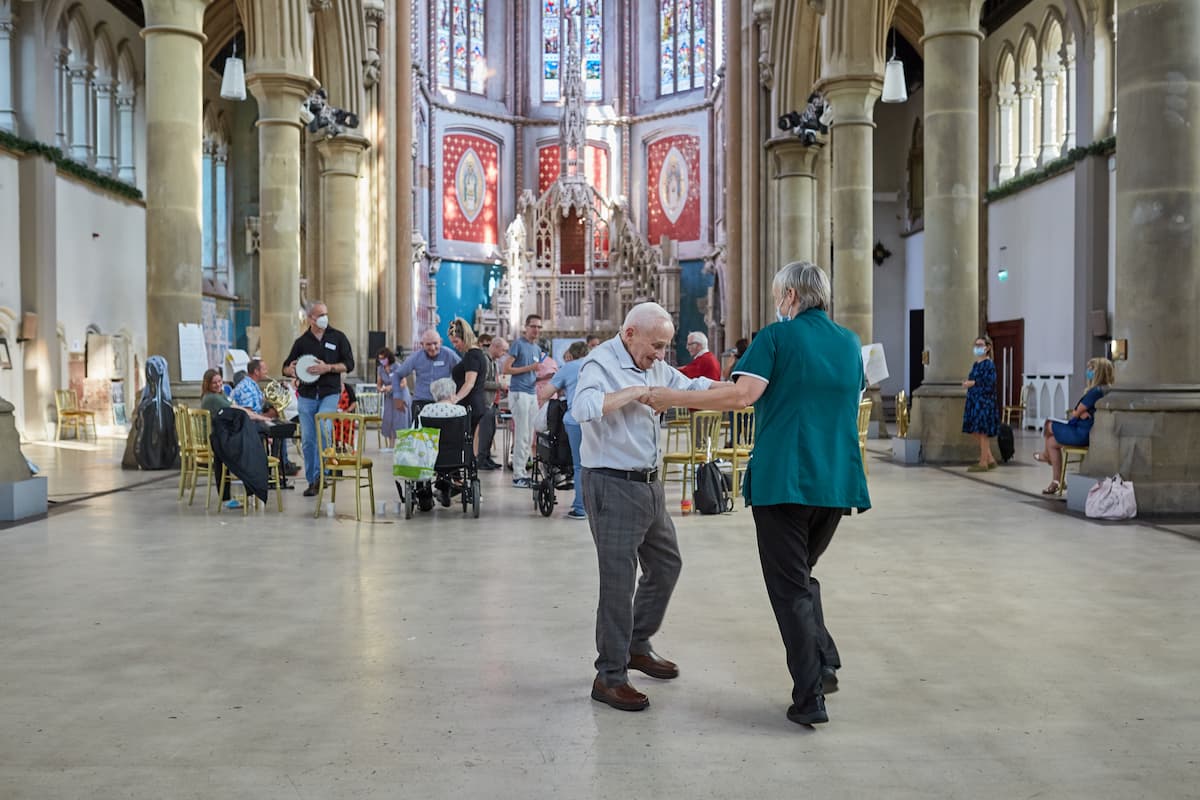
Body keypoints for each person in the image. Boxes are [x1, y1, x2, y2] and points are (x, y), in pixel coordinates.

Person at [642, 261, 871, 727]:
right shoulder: (849, 343)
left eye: (776, 295)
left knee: (789, 587)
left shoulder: (776, 338)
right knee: (800, 575)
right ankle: (824, 658)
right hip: (835, 482)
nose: (775, 304)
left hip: (784, 480)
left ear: (789, 297)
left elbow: (742, 395)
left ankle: (809, 697)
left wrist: (672, 397)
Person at [571, 302, 722, 713]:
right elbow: (580, 409)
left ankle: (636, 644)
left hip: (648, 486)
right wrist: (635, 393)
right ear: (630, 333)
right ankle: (610, 676)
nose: (660, 354)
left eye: (665, 347)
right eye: (655, 345)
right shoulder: (599, 364)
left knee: (666, 564)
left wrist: (738, 392)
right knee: (618, 582)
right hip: (611, 484)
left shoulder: (655, 362)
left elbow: (689, 388)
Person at [281, 300, 355, 497]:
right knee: (308, 440)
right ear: (310, 319)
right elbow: (286, 367)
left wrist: (328, 368)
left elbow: (349, 364)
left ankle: (325, 471)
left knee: (323, 427)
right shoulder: (301, 342)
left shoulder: (338, 337)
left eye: (325, 314)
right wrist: (291, 370)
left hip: (330, 392)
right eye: (320, 315)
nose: (324, 318)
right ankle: (314, 479)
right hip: (306, 394)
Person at [1034, 357, 1115, 495]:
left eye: (1092, 369)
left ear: (1099, 372)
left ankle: (1046, 456)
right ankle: (1057, 482)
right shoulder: (1107, 390)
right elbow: (1081, 411)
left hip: (1082, 433)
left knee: (1048, 424)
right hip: (1087, 430)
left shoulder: (1095, 391)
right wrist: (1080, 413)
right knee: (1052, 442)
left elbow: (1075, 413)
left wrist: (1078, 413)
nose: (1088, 372)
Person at [538, 340, 589, 520]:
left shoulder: (569, 367)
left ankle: (581, 508)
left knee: (580, 465)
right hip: (599, 418)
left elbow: (545, 394)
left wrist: (563, 391)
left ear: (571, 354)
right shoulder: (596, 366)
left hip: (575, 419)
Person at [231, 358, 296, 480]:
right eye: (264, 369)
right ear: (256, 371)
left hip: (256, 421)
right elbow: (248, 414)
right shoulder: (247, 388)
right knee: (279, 430)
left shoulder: (252, 385)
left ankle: (277, 468)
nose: (267, 371)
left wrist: (280, 391)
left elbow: (261, 404)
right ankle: (271, 470)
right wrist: (268, 417)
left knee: (282, 429)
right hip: (246, 426)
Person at [503, 314, 544, 489]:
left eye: (539, 327)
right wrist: (530, 368)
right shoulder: (518, 345)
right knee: (522, 434)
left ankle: (523, 471)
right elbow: (507, 368)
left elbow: (533, 373)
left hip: (531, 392)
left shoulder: (536, 348)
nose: (536, 330)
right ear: (525, 327)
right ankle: (518, 474)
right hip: (519, 393)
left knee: (530, 435)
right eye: (533, 326)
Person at [394, 329, 461, 419]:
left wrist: (458, 395)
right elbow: (397, 375)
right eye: (428, 344)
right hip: (421, 402)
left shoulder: (449, 355)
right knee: (420, 432)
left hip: (444, 403)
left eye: (435, 343)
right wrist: (397, 397)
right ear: (422, 344)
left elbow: (464, 372)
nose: (432, 348)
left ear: (440, 342)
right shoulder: (416, 357)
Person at [447, 317, 489, 457]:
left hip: (471, 405)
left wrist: (455, 398)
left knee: (465, 443)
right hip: (475, 403)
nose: (455, 346)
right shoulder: (476, 354)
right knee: (468, 443)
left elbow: (469, 383)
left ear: (464, 337)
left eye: (456, 342)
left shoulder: (472, 356)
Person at [962, 335, 1000, 472]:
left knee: (982, 432)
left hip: (984, 402)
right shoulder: (976, 364)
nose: (977, 348)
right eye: (976, 345)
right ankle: (990, 458)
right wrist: (968, 383)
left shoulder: (989, 364)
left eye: (980, 345)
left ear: (988, 347)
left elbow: (989, 384)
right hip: (974, 400)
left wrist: (973, 383)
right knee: (974, 430)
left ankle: (983, 462)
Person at [476, 335, 509, 469]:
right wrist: (499, 385)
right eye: (503, 350)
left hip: (493, 401)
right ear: (495, 347)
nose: (504, 354)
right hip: (485, 401)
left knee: (491, 431)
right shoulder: (484, 359)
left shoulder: (494, 361)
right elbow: (481, 382)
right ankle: (482, 459)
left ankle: (487, 457)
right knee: (485, 432)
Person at [376, 347, 406, 449]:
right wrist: (380, 389)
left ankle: (403, 445)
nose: (382, 361)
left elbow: (403, 383)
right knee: (389, 419)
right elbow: (379, 384)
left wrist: (391, 387)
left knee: (400, 419)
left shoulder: (397, 366)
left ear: (389, 358)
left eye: (383, 358)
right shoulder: (380, 369)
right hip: (389, 397)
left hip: (400, 395)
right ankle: (391, 445)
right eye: (380, 359)